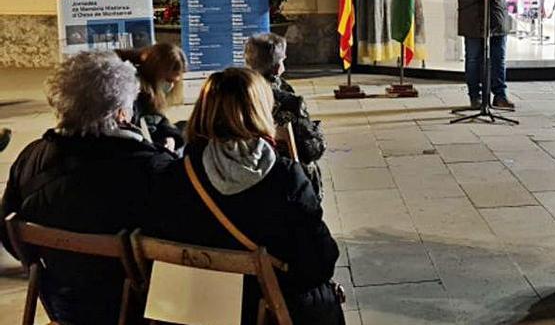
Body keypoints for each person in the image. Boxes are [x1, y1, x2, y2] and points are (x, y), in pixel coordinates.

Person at [145, 68, 344, 325]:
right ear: (260, 110)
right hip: (263, 310)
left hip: (194, 311)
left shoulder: (174, 176)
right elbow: (320, 263)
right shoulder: (284, 178)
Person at [0, 51, 176, 324]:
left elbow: (9, 235)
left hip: (64, 307)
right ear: (121, 112)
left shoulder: (30, 158)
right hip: (137, 311)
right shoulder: (154, 170)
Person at [245, 33, 327, 199]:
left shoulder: (233, 95)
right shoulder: (290, 102)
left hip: (244, 168)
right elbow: (310, 150)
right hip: (281, 175)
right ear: (276, 68)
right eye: (283, 59)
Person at [117, 42, 187, 152]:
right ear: (155, 74)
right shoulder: (132, 96)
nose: (171, 86)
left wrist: (171, 137)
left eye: (174, 82)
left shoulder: (149, 96)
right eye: (168, 80)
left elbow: (157, 119)